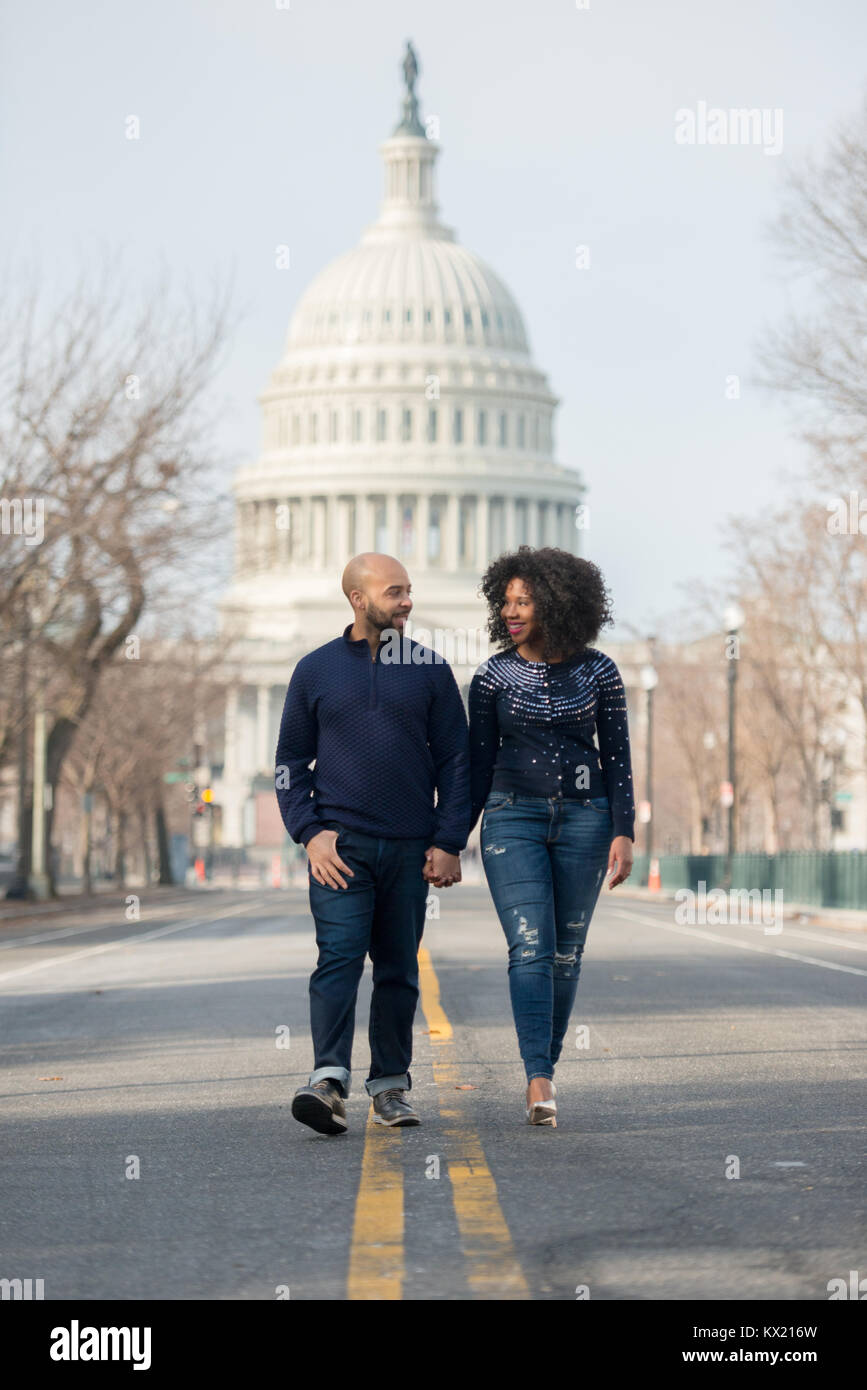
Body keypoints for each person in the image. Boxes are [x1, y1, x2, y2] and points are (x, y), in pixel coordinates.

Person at [275, 553, 470, 1134]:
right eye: (394, 592)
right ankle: (328, 1080)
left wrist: (448, 839)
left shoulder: (431, 671)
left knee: (397, 970)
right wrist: (309, 833)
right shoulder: (315, 671)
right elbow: (289, 762)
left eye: (409, 590)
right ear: (358, 600)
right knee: (336, 958)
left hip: (410, 848)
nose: (407, 601)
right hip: (341, 849)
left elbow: (457, 761)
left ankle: (390, 1087)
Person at [468, 546, 634, 1127]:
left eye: (525, 602)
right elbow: (477, 763)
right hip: (512, 816)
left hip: (586, 820)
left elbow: (616, 756)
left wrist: (623, 830)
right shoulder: (492, 676)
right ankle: (536, 1075)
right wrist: (446, 840)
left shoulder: (599, 671)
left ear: (559, 604)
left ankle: (547, 1070)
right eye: (506, 602)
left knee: (567, 953)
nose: (511, 612)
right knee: (531, 945)